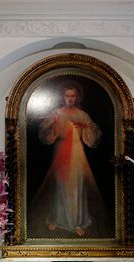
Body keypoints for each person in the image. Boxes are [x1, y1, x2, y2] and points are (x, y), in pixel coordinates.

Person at [35, 81, 103, 237]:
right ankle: (57, 219)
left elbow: (94, 132)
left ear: (77, 97)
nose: (70, 99)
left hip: (78, 153)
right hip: (61, 152)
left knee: (76, 187)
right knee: (60, 186)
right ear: (63, 97)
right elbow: (43, 130)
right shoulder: (57, 113)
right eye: (67, 96)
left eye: (73, 96)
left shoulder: (82, 114)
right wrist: (53, 124)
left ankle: (76, 223)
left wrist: (85, 127)